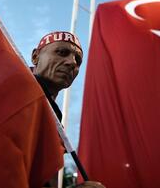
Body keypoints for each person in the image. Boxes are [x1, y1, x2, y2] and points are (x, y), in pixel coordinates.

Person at [31, 31, 105, 188]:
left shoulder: (53, 117)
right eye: (61, 52)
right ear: (35, 57)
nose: (72, 63)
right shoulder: (12, 90)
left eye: (78, 60)